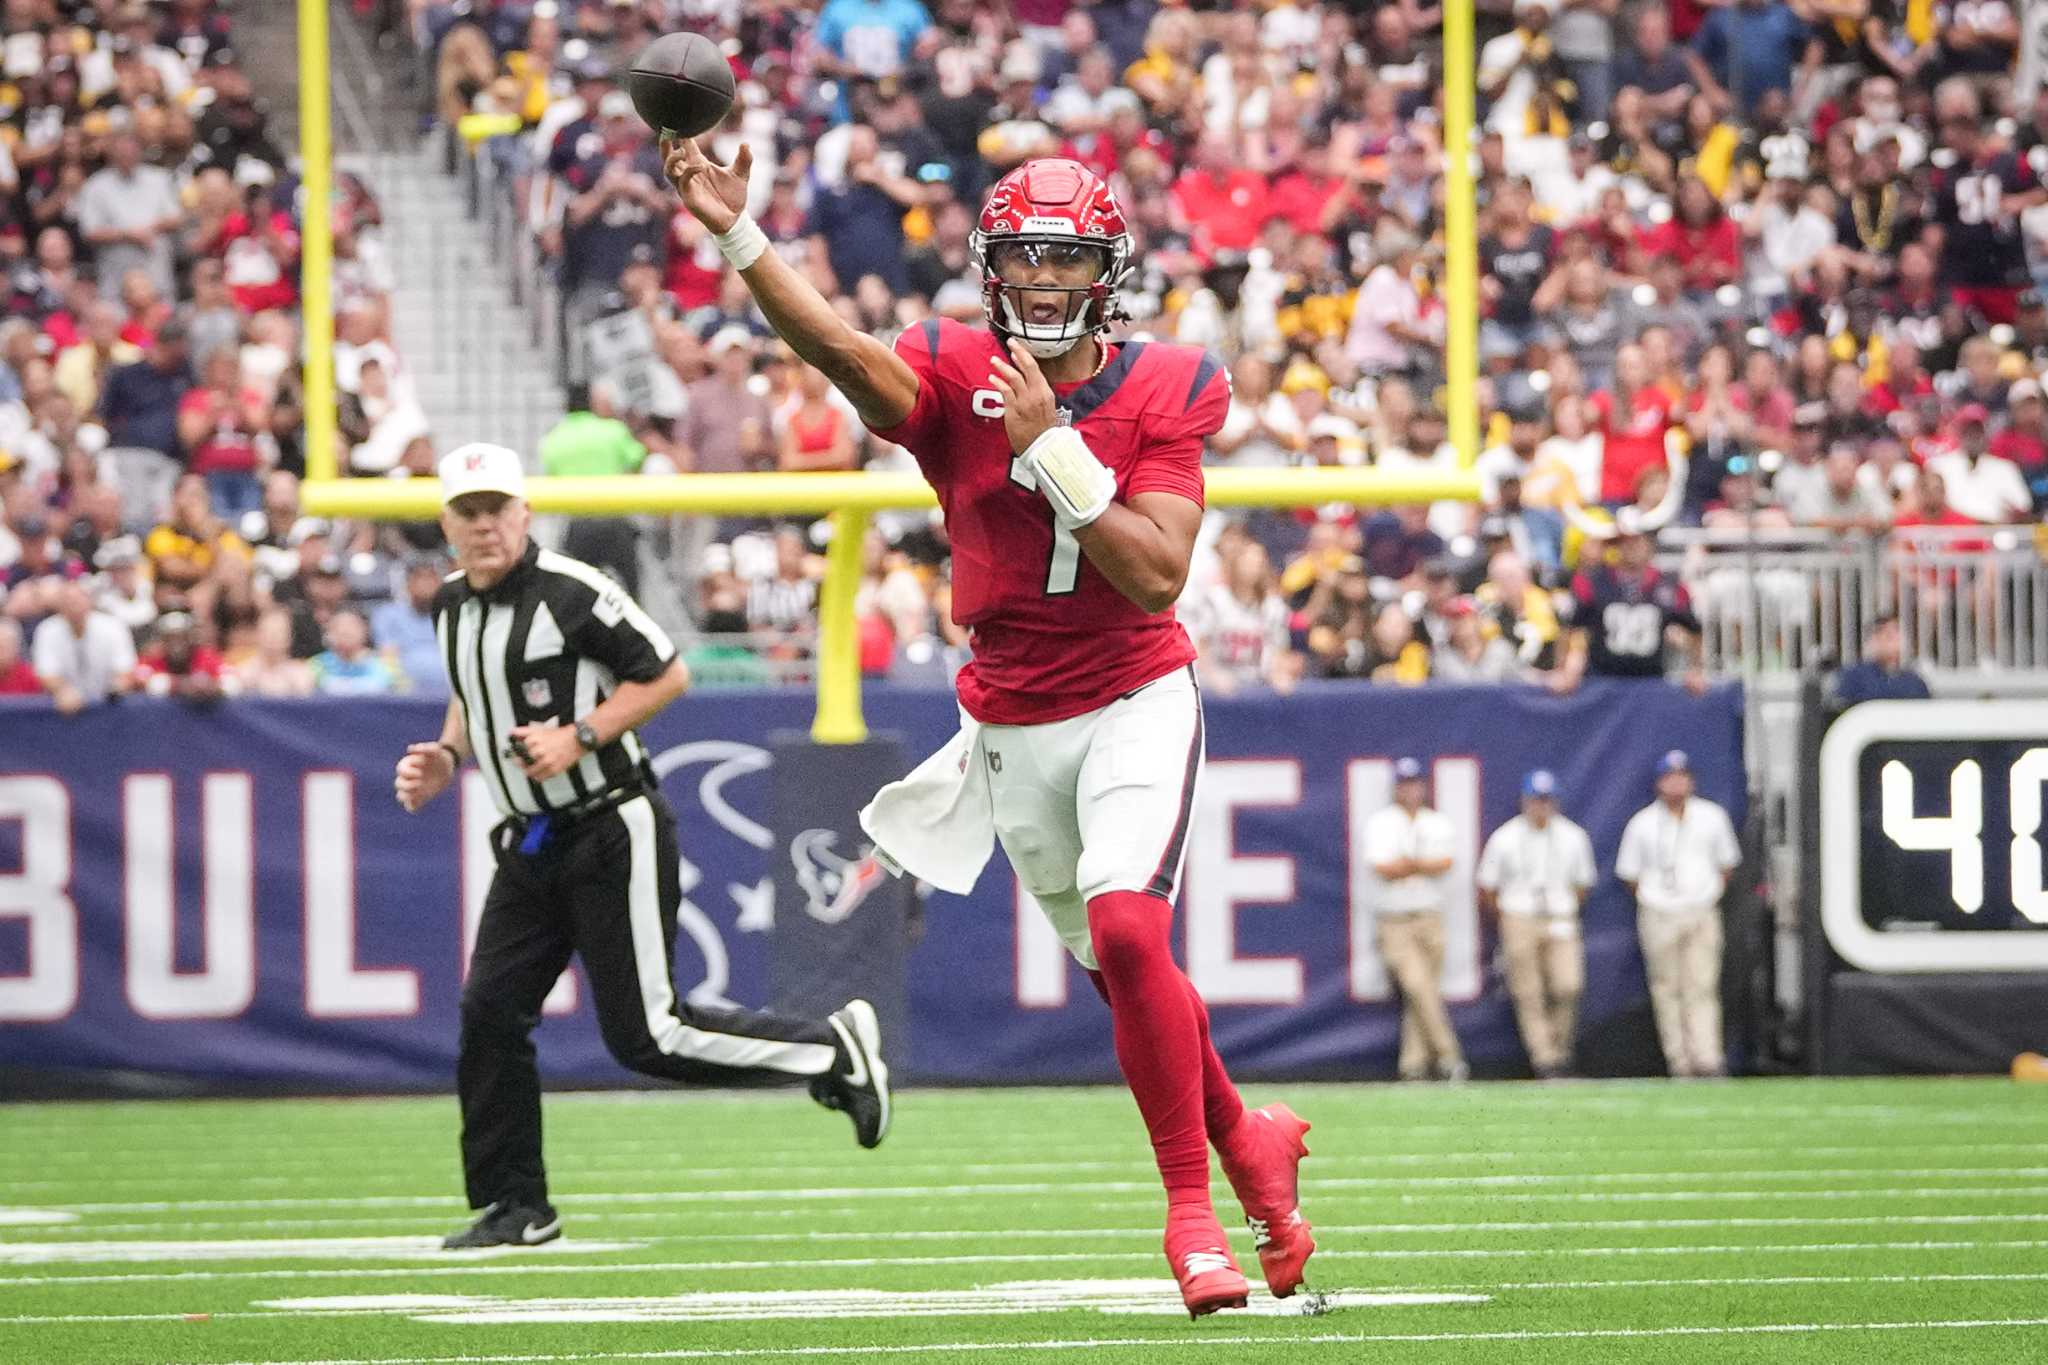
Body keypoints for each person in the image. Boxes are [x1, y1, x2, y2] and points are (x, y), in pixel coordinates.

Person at [663, 141, 1313, 1316]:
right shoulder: (949, 365)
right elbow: (840, 352)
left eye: (1066, 255)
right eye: (1025, 256)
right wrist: (738, 235)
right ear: (991, 267)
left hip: (1132, 694)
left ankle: (1189, 1217)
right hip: (1012, 719)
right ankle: (1248, 1142)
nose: (1046, 278)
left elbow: (1158, 574)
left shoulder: (1167, 383)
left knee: (1127, 929)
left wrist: (1049, 448)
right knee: (1128, 979)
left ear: (1105, 268)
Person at [394, 443, 888, 1252]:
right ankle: (517, 1203)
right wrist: (447, 757)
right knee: (489, 1010)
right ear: (446, 526)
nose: (484, 526)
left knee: (649, 1036)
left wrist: (579, 736)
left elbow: (666, 673)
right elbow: (470, 691)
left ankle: (831, 1048)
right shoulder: (452, 605)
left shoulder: (571, 591)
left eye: (496, 509)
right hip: (529, 838)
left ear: (523, 513)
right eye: (467, 513)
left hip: (607, 823)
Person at [1615, 750, 1742, 1078]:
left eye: (1682, 775)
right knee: (1666, 988)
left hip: (1700, 908)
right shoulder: (1642, 823)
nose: (1677, 782)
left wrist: (1704, 892)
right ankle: (1680, 1061)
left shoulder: (1711, 817)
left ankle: (1708, 1057)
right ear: (1659, 783)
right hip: (1659, 911)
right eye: (1670, 776)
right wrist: (1656, 898)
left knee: (1702, 985)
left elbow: (1726, 864)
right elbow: (1630, 874)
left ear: (1692, 780)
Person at [1476, 770, 1598, 1079]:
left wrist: (1562, 908)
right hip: (1520, 915)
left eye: (1546, 801)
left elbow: (1583, 885)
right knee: (1527, 992)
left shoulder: (1573, 836)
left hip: (1559, 916)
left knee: (1568, 985)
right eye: (1535, 801)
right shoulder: (1506, 837)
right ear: (1525, 802)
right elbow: (1487, 887)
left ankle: (1560, 1048)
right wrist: (1508, 916)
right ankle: (1545, 1059)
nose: (1540, 807)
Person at [1364, 757, 1468, 1084]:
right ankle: (1449, 1055)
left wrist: (1409, 864)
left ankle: (1413, 1066)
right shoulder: (1381, 822)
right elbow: (1382, 867)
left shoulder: (1436, 822)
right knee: (1418, 986)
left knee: (1420, 996)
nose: (1410, 789)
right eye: (1404, 783)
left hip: (1429, 915)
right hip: (1395, 920)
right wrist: (1421, 864)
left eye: (1415, 783)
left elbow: (1445, 862)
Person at [1552, 512, 1707, 693]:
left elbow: (1695, 629)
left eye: (1636, 541)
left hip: (1650, 682)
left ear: (1648, 543)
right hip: (1601, 681)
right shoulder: (1594, 582)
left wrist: (1696, 670)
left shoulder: (1669, 586)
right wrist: (1562, 669)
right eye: (1624, 542)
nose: (1631, 547)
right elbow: (1568, 626)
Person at [31, 580, 138, 714]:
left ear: (90, 601)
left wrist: (115, 689)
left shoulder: (113, 627)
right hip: (64, 708)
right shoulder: (47, 630)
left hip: (108, 707)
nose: (74, 605)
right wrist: (62, 690)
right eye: (68, 601)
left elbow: (125, 667)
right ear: (59, 605)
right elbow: (46, 671)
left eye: (78, 600)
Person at [1831, 613, 1931, 704]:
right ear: (1872, 640)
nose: (1893, 642)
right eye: (1888, 636)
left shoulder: (1914, 681)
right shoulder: (1854, 677)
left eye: (1896, 635)